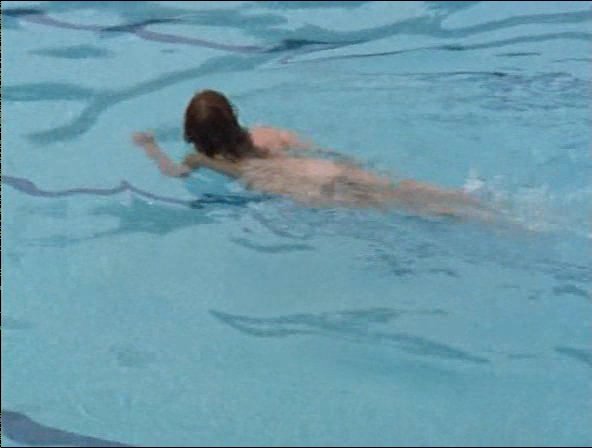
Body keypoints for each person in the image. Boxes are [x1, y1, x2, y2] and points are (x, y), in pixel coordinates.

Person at [133, 89, 493, 219]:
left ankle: (481, 220)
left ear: (194, 134)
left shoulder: (203, 160)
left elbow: (174, 173)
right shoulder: (266, 133)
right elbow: (311, 146)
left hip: (305, 191)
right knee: (403, 189)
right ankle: (474, 201)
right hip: (324, 169)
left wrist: (151, 148)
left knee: (404, 209)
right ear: (234, 117)